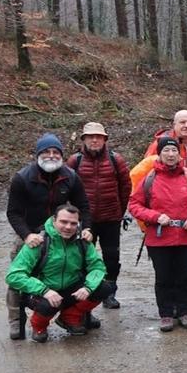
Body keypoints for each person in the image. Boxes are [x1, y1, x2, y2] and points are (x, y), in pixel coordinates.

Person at [5, 133, 93, 340]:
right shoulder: (22, 178)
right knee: (18, 279)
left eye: (56, 152)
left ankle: (78, 315)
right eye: (46, 152)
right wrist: (26, 236)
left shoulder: (70, 176)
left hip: (65, 234)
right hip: (31, 234)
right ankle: (16, 321)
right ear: (38, 154)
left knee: (78, 273)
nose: (51, 155)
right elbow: (13, 213)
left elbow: (84, 207)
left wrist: (87, 228)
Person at [128, 136, 187, 332]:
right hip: (159, 238)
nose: (170, 155)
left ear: (179, 155)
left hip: (185, 236)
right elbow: (134, 204)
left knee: (184, 276)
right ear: (160, 154)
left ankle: (183, 311)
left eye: (174, 151)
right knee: (163, 277)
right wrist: (154, 216)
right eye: (166, 151)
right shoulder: (150, 178)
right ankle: (165, 314)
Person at [6, 204, 112, 343]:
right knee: (47, 305)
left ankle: (69, 317)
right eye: (63, 222)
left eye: (73, 223)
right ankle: (39, 327)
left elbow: (98, 267)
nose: (68, 227)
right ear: (54, 220)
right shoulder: (38, 242)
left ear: (79, 224)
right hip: (42, 291)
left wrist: (88, 287)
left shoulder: (83, 242)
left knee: (104, 288)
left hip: (70, 288)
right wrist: (44, 290)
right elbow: (13, 276)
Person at [66, 122, 131, 309]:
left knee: (112, 258)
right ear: (84, 139)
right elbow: (66, 189)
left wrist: (119, 210)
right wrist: (74, 216)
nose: (95, 140)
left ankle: (109, 294)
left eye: (98, 136)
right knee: (83, 259)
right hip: (85, 221)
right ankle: (87, 297)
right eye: (90, 136)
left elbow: (126, 187)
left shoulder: (115, 159)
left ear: (105, 139)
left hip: (111, 218)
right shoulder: (74, 161)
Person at [144, 109, 187, 176]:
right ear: (174, 125)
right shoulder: (161, 144)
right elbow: (146, 169)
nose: (186, 125)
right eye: (182, 122)